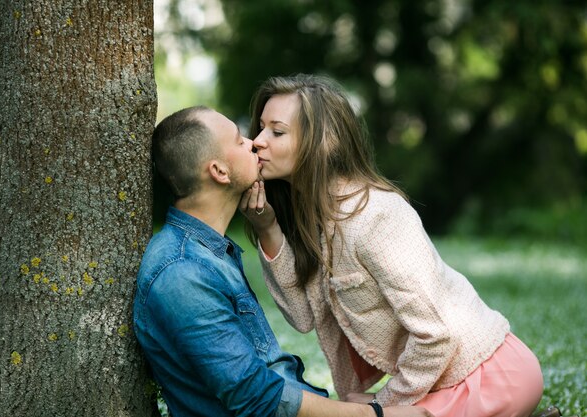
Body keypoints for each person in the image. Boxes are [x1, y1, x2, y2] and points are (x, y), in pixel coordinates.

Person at [240, 74, 544, 417]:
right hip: (437, 384)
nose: (257, 141)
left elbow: (436, 335)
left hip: (488, 375)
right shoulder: (315, 217)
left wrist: (381, 406)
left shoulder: (376, 217)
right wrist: (268, 229)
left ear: (325, 140)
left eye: (276, 131)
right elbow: (303, 317)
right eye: (261, 128)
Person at [132, 105, 433, 417]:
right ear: (219, 171)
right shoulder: (182, 273)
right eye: (239, 141)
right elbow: (256, 400)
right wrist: (376, 415)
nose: (254, 143)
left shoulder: (207, 252)